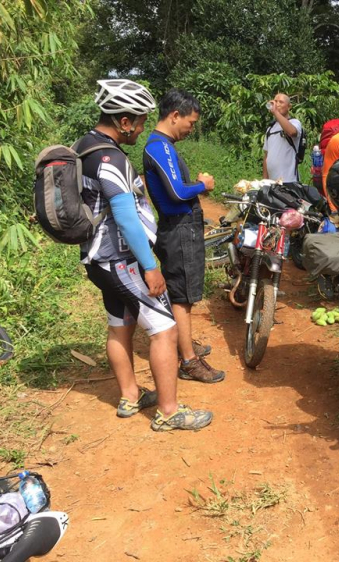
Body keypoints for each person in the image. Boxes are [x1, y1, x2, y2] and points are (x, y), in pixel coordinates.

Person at [79, 79, 213, 432]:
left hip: (96, 259)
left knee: (120, 325)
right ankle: (169, 412)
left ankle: (130, 395)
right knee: (165, 330)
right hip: (119, 259)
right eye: (138, 121)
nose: (141, 128)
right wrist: (151, 267)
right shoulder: (111, 160)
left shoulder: (85, 147)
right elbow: (125, 218)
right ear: (124, 121)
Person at [143, 89, 225, 384]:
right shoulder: (159, 147)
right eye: (190, 122)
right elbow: (177, 192)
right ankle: (189, 360)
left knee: (183, 291)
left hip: (180, 226)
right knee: (182, 296)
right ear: (174, 115)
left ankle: (185, 345)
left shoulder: (161, 146)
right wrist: (202, 185)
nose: (191, 129)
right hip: (178, 228)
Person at [263, 93, 302, 182]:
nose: (277, 104)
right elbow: (266, 155)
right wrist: (264, 180)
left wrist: (276, 112)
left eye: (281, 102)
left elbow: (292, 132)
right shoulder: (270, 128)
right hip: (272, 182)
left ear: (289, 107)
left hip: (289, 181)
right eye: (275, 101)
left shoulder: (295, 122)